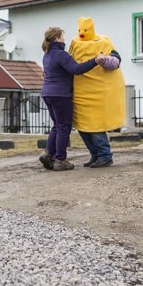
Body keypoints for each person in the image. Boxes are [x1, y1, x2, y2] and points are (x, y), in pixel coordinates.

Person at [38, 27, 104, 171]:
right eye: (62, 36)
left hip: (47, 93)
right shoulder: (61, 54)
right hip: (60, 95)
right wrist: (95, 60)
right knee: (63, 127)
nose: (64, 39)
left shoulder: (47, 54)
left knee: (57, 125)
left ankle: (48, 154)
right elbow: (76, 69)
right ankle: (60, 160)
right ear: (57, 38)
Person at [68, 17, 126, 168]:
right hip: (81, 92)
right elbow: (69, 61)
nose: (81, 34)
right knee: (82, 127)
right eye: (80, 30)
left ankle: (105, 155)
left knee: (95, 126)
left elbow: (116, 61)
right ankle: (94, 154)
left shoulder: (103, 42)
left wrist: (104, 60)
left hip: (98, 93)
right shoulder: (74, 43)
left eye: (84, 31)